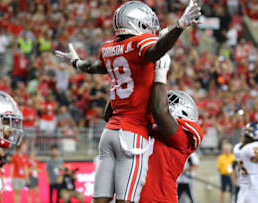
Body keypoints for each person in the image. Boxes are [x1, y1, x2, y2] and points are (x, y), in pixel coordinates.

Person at [55, 1, 201, 202]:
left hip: (110, 131)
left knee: (100, 198)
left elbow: (97, 67)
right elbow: (156, 51)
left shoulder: (109, 48)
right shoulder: (141, 46)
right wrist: (179, 28)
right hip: (131, 135)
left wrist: (76, 63)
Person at [138, 54, 204, 202]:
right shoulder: (152, 128)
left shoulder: (183, 138)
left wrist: (160, 74)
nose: (163, 103)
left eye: (169, 102)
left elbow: (161, 111)